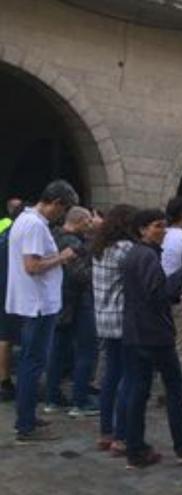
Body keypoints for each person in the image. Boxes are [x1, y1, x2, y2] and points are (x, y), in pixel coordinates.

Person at [122, 209, 182, 469]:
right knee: (174, 389)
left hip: (136, 332)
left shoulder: (136, 254)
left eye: (164, 225)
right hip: (154, 333)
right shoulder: (145, 255)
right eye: (157, 226)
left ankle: (135, 449)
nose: (163, 230)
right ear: (142, 230)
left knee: (139, 390)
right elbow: (157, 294)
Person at [6, 180, 80, 443]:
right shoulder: (35, 225)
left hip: (32, 301)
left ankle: (27, 417)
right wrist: (63, 256)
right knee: (32, 362)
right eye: (63, 210)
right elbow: (32, 266)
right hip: (38, 303)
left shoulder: (25, 220)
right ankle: (26, 424)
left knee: (30, 360)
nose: (61, 216)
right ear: (56, 203)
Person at [44, 207, 98, 417]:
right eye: (88, 222)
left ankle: (53, 397)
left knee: (58, 351)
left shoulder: (53, 235)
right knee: (86, 350)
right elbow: (79, 275)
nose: (90, 225)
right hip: (77, 302)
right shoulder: (73, 242)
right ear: (81, 221)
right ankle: (80, 400)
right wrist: (98, 271)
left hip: (58, 300)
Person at [93, 204, 137, 454]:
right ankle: (121, 436)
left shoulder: (100, 249)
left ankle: (105, 432)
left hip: (103, 319)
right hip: (123, 319)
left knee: (111, 375)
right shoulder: (125, 250)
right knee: (128, 377)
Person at [161, 196, 182, 377]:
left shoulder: (163, 234)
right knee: (181, 343)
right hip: (180, 295)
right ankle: (175, 391)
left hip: (160, 292)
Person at [0, 200, 24, 402]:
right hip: (8, 288)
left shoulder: (4, 228)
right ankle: (5, 381)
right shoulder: (16, 234)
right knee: (6, 337)